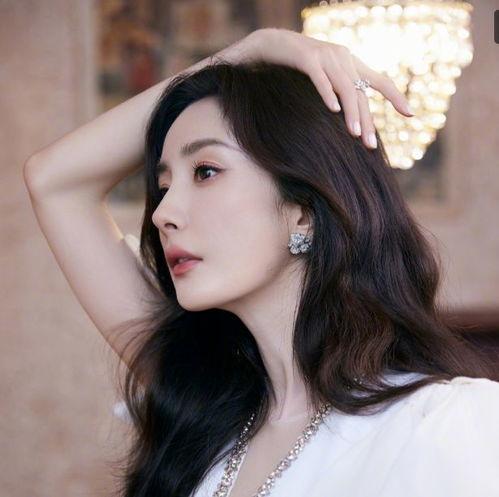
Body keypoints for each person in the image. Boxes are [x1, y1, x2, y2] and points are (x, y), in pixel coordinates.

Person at [23, 28, 499, 497]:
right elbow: (52, 180)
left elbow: (55, 182)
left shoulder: (440, 423)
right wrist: (251, 49)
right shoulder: (202, 405)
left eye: (205, 171)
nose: (163, 214)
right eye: (164, 187)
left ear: (304, 212)